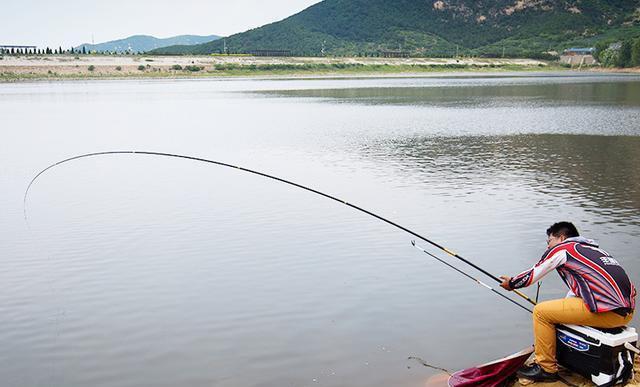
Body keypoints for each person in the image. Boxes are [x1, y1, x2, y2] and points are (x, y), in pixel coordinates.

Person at [499, 221, 636, 382]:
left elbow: (534, 273)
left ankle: (546, 369)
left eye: (549, 241)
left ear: (561, 238)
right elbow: (579, 290)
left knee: (541, 312)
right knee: (556, 311)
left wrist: (512, 283)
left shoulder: (564, 249)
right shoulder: (595, 250)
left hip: (607, 312)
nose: (548, 246)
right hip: (625, 314)